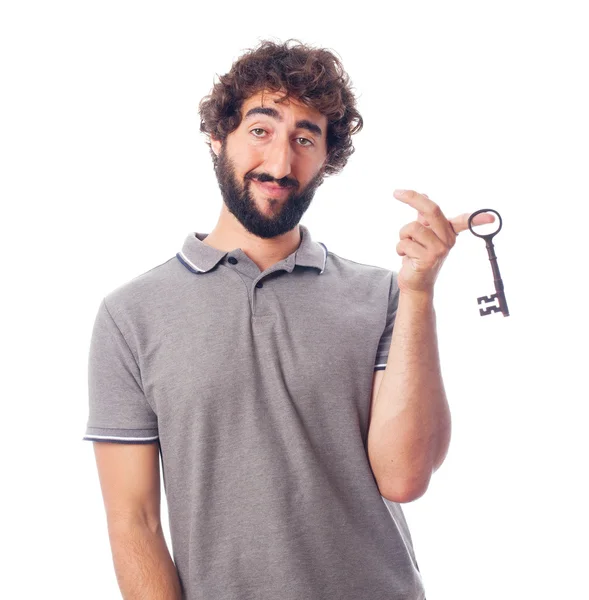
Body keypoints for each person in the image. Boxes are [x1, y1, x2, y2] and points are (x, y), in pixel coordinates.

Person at [83, 38, 492, 600]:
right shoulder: (130, 316)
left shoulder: (382, 295)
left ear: (327, 159)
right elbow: (134, 522)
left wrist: (418, 291)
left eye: (305, 138)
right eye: (260, 129)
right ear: (217, 136)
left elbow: (403, 477)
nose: (280, 163)